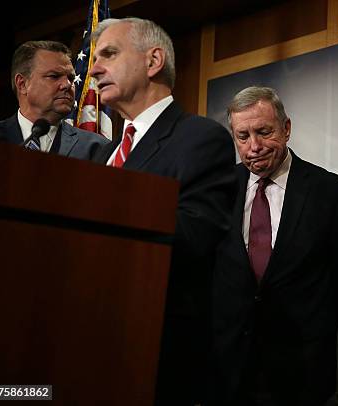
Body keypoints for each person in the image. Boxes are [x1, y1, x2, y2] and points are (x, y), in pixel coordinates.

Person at [89, 17, 236, 405]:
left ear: (153, 61)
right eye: (94, 58)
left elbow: (195, 235)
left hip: (159, 360)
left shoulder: (200, 138)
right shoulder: (105, 153)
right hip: (92, 346)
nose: (95, 69)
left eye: (109, 54)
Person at [211, 86, 338, 406]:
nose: (253, 146)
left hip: (302, 372)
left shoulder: (331, 192)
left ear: (286, 128)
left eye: (264, 132)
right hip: (229, 371)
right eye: (242, 136)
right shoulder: (218, 190)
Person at [0, 40, 108, 159]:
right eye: (54, 76)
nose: (67, 85)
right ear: (22, 84)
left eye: (71, 78)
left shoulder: (97, 147)